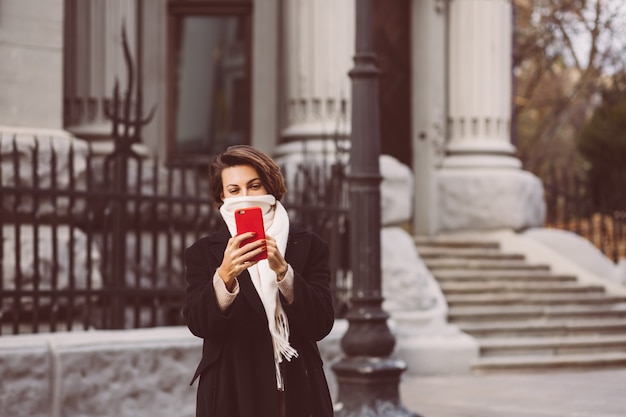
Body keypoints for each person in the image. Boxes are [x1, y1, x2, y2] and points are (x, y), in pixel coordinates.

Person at [183, 145, 335, 417]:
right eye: (234, 190)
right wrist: (225, 276)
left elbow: (321, 323)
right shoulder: (204, 252)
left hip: (297, 385)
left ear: (270, 187)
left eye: (254, 186)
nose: (245, 197)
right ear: (222, 195)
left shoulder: (309, 246)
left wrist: (284, 273)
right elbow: (198, 323)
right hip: (233, 386)